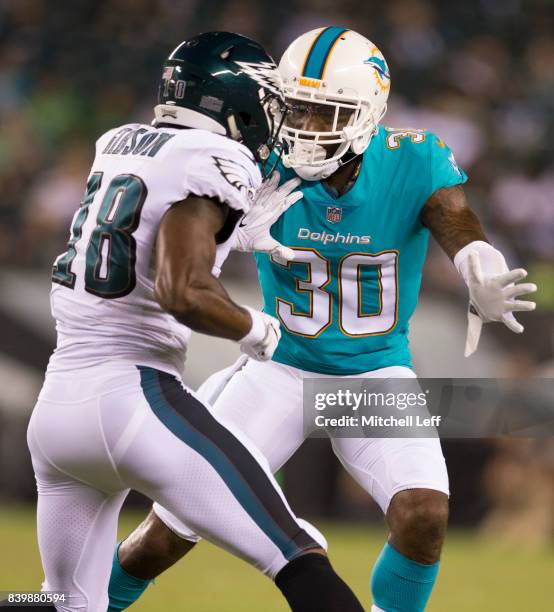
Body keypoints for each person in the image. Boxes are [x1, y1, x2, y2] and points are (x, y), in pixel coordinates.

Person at [106, 27, 537, 612]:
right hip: (279, 369)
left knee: (424, 514)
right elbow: (183, 244)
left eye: (325, 111)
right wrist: (227, 232)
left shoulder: (411, 157)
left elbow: (451, 213)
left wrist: (475, 260)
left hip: (371, 374)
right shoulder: (252, 159)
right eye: (297, 108)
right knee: (166, 536)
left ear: (367, 114)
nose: (305, 126)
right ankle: (69, 602)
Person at [26, 31, 365, 612]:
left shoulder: (119, 142)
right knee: (298, 554)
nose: (274, 116)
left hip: (56, 414)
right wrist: (256, 329)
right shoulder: (216, 157)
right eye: (269, 101)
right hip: (134, 399)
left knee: (61, 601)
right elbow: (184, 289)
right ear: (233, 100)